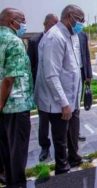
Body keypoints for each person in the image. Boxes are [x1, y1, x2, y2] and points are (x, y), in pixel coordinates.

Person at [34, 4, 86, 175]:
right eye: (80, 20)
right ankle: (62, 171)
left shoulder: (73, 35)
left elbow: (73, 67)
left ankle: (74, 158)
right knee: (60, 140)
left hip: (72, 99)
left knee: (71, 136)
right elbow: (51, 75)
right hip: (57, 102)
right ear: (69, 16)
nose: (82, 24)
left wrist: (75, 100)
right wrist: (64, 103)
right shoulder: (54, 37)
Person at [0, 8, 35, 187]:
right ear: (12, 21)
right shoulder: (14, 41)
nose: (24, 23)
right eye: (22, 20)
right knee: (18, 152)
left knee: (6, 150)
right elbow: (8, 79)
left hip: (5, 108)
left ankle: (8, 179)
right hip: (16, 105)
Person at [27, 13, 58, 162]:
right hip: (42, 88)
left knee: (58, 120)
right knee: (43, 121)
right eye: (53, 24)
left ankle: (61, 145)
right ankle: (44, 147)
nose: (55, 27)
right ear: (45, 24)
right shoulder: (34, 41)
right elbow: (30, 66)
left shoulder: (59, 39)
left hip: (57, 87)